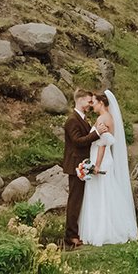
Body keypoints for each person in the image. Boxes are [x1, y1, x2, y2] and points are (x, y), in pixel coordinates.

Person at [77, 89, 138, 246]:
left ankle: (103, 230)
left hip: (101, 159)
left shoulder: (102, 119)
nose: (93, 106)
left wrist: (96, 165)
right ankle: (109, 225)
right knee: (105, 191)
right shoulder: (108, 117)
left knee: (102, 193)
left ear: (102, 103)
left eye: (95, 103)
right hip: (104, 159)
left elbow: (103, 144)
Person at [61, 89, 100, 247]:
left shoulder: (83, 118)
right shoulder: (72, 120)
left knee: (81, 199)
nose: (91, 105)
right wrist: (96, 134)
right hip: (75, 164)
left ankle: (78, 231)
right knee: (75, 200)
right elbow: (77, 141)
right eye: (89, 101)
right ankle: (70, 235)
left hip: (83, 163)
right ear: (81, 100)